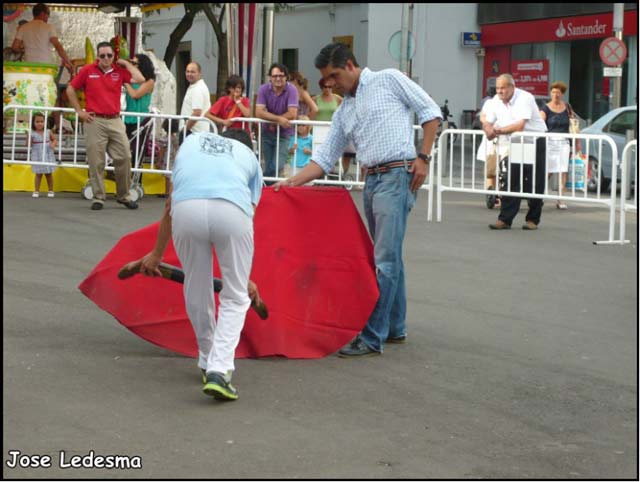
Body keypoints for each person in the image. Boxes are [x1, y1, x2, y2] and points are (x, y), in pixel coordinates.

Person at [274, 43, 441, 357]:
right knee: (388, 256)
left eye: (334, 76)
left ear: (350, 64)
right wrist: (290, 182)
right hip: (373, 180)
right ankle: (395, 327)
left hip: (396, 175)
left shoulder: (389, 79)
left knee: (384, 260)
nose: (331, 84)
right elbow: (324, 158)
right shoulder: (345, 110)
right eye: (326, 80)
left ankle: (372, 335)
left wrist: (424, 157)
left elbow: (431, 112)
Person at [135, 129, 263, 401]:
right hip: (232, 208)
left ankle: (206, 359)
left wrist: (157, 253)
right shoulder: (249, 157)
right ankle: (219, 369)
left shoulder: (192, 144)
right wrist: (243, 279)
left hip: (186, 209)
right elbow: (246, 215)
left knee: (197, 285)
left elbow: (169, 204)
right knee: (236, 297)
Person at [66, 41, 145, 211]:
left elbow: (140, 79)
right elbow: (70, 89)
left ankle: (123, 195)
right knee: (96, 161)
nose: (106, 59)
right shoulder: (88, 70)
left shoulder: (119, 71)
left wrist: (126, 64)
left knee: (124, 156)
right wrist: (79, 111)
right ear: (97, 56)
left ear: (113, 56)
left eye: (109, 55)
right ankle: (98, 196)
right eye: (102, 56)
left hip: (115, 119)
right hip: (95, 120)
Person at [484, 74, 548, 231]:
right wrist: (488, 129)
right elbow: (487, 120)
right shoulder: (496, 101)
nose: (500, 91)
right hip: (516, 142)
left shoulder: (524, 98)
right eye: (498, 88)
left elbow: (520, 125)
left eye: (503, 88)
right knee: (511, 179)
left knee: (534, 181)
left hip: (534, 140)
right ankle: (505, 219)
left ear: (512, 87)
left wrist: (497, 131)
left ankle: (533, 219)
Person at [255, 63, 299, 179]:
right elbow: (258, 112)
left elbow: (292, 113)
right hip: (266, 132)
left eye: (281, 75)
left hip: (284, 134)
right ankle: (269, 191)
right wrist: (278, 119)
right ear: (270, 77)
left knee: (277, 165)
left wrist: (273, 122)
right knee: (269, 164)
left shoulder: (292, 89)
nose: (278, 78)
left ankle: (262, 184)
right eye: (275, 76)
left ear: (286, 77)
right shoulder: (263, 89)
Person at [539, 81, 577, 210]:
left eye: (558, 92)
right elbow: (540, 124)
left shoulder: (567, 107)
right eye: (553, 92)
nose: (555, 94)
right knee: (548, 171)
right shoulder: (545, 108)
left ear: (562, 94)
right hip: (549, 143)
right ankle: (539, 195)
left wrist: (578, 144)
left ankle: (560, 199)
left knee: (563, 171)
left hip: (564, 143)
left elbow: (574, 125)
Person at [11, 3, 73, 73]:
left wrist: (24, 51)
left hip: (29, 67)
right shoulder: (49, 27)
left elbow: (14, 47)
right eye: (48, 14)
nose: (48, 17)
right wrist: (69, 62)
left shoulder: (23, 27)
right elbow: (58, 47)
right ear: (42, 13)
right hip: (45, 68)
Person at [123, 53, 156, 168]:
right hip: (128, 118)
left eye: (134, 63)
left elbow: (135, 95)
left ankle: (137, 180)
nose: (132, 65)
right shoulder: (132, 80)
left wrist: (125, 82)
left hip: (141, 120)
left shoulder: (149, 81)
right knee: (124, 150)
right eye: (131, 63)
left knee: (137, 152)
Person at [179, 62, 211, 143]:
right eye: (187, 71)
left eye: (193, 72)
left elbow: (197, 113)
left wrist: (185, 130)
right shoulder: (195, 86)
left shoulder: (197, 89)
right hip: (195, 133)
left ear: (199, 73)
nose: (189, 74)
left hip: (193, 133)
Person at [30, 112, 57, 198]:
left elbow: (54, 139)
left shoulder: (48, 131)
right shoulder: (32, 133)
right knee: (38, 174)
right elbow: (28, 144)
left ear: (45, 122)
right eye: (37, 122)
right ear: (33, 123)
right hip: (37, 155)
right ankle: (36, 190)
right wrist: (28, 136)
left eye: (42, 121)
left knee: (48, 174)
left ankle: (51, 190)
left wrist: (53, 144)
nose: (40, 123)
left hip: (47, 154)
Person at [156, 118, 179, 197]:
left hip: (167, 159)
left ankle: (167, 192)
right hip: (175, 159)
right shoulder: (176, 138)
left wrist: (159, 161)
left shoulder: (164, 139)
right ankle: (171, 192)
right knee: (173, 176)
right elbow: (177, 149)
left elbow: (162, 151)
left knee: (168, 177)